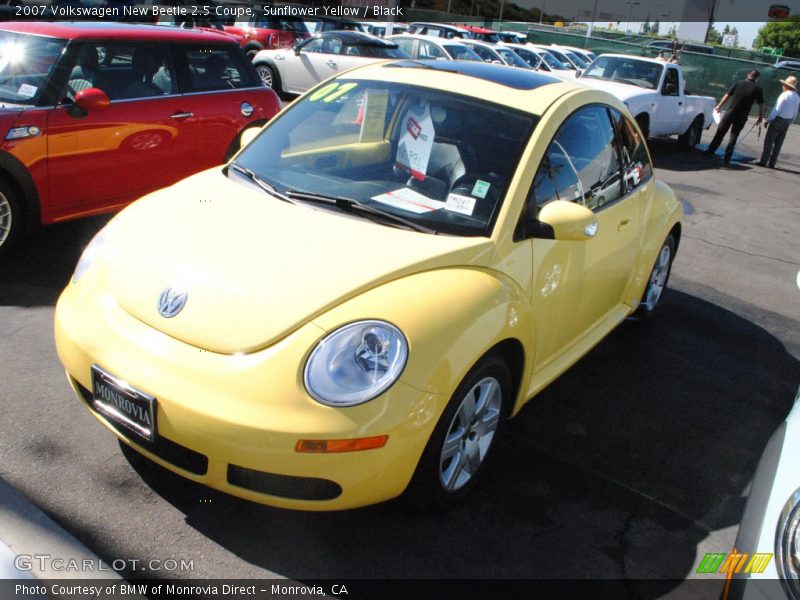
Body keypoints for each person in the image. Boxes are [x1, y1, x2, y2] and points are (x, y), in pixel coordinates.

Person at [703, 70, 765, 163]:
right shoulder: (758, 88)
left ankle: (710, 150)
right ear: (757, 78)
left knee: (720, 132)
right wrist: (760, 116)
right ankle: (727, 156)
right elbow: (761, 104)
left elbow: (727, 95)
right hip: (742, 115)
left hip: (730, 112)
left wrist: (719, 105)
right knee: (734, 136)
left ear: (748, 75)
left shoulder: (738, 83)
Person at [756, 75, 799, 168]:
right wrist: (791, 120)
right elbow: (795, 111)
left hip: (778, 120)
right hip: (787, 121)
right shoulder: (797, 97)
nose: (782, 86)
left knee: (769, 141)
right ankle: (772, 162)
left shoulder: (784, 95)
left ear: (787, 86)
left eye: (784, 84)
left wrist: (769, 119)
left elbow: (777, 109)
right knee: (778, 143)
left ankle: (764, 161)